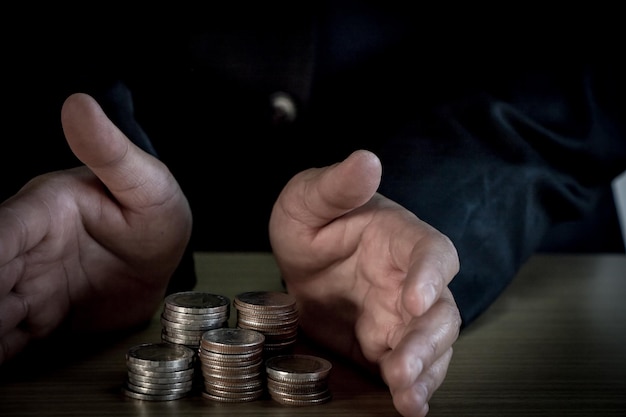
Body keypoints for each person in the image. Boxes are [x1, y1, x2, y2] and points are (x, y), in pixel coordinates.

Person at [1, 4, 624, 417]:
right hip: (101, 249)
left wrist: (430, 217)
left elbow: (585, 54)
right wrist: (73, 175)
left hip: (530, 261)